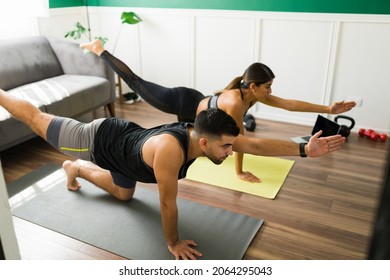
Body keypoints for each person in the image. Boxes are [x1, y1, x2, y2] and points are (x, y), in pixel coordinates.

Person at [0, 88, 345, 260]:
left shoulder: (206, 137)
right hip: (97, 141)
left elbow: (252, 146)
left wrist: (302, 150)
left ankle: (74, 170)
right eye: (226, 148)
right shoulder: (171, 151)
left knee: (123, 195)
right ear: (206, 141)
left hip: (127, 148)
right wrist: (172, 242)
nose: (230, 153)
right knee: (37, 120)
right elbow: (167, 204)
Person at [80, 39, 356, 183]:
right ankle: (100, 50)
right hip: (181, 102)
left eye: (271, 87)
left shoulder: (252, 94)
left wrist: (328, 108)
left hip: (197, 113)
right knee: (137, 82)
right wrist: (239, 172)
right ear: (252, 86)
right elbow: (240, 141)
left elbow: (288, 104)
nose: (270, 92)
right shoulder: (236, 102)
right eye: (268, 87)